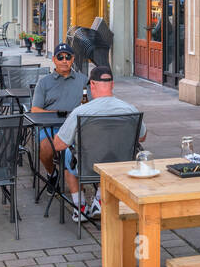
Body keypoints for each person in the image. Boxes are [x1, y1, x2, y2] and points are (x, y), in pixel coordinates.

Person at [51, 67, 146, 220]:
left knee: (67, 156)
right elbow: (142, 137)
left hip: (88, 167)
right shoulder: (130, 109)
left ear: (92, 85)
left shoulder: (81, 112)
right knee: (110, 152)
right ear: (112, 84)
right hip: (121, 166)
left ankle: (79, 205)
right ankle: (100, 200)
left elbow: (58, 145)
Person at [30, 43, 88, 193]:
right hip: (51, 126)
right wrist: (55, 113)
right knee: (46, 148)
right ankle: (52, 173)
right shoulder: (44, 82)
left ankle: (81, 195)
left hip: (77, 127)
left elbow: (92, 104)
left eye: (68, 57)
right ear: (54, 60)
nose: (64, 60)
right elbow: (35, 109)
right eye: (60, 57)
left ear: (73, 59)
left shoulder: (83, 80)